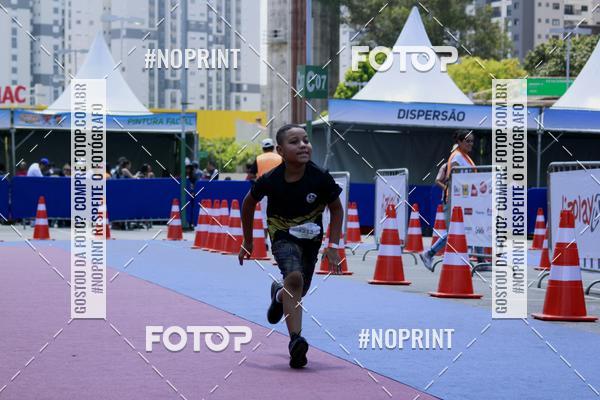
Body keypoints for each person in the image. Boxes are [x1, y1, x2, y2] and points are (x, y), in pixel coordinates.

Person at [238, 124, 344, 369]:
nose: (303, 145)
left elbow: (337, 209)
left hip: (311, 240)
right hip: (281, 235)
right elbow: (248, 204)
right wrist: (248, 241)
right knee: (294, 278)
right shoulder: (270, 179)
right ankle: (296, 341)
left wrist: (333, 245)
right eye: (295, 142)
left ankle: (278, 295)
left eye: (305, 140)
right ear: (280, 151)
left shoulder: (320, 177)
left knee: (298, 290)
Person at [420, 130, 476, 271]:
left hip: (464, 199)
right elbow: (453, 180)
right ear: (459, 142)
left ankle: (470, 258)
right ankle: (429, 253)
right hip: (455, 199)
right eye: (467, 141)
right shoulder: (457, 158)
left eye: (472, 141)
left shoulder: (465, 157)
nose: (470, 144)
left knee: (466, 229)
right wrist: (448, 189)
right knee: (455, 230)